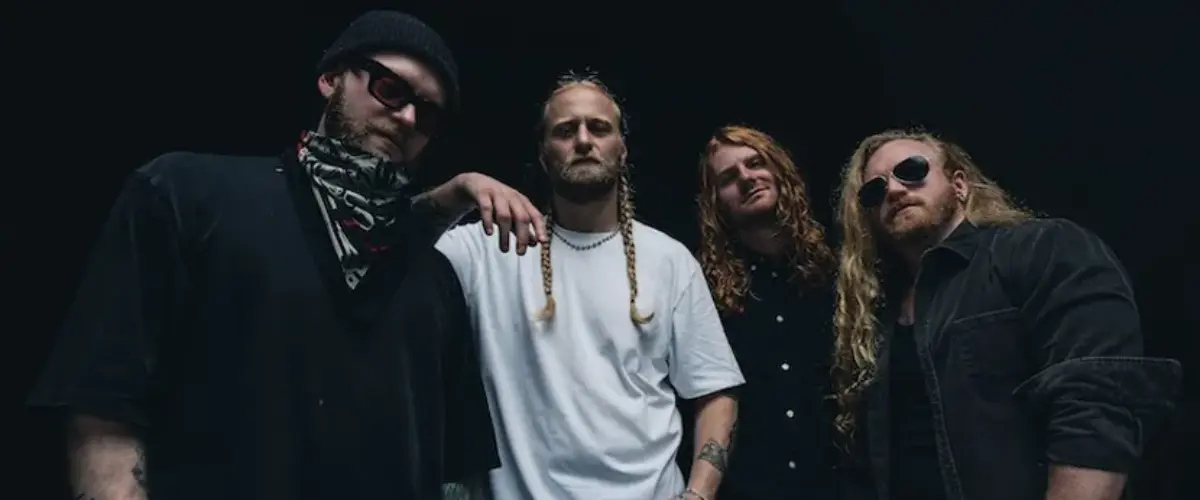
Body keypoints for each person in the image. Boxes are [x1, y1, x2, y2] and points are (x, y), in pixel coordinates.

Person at [29, 10, 546, 500]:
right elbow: (104, 400)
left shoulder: (432, 277)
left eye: (428, 113)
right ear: (331, 79)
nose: (408, 117)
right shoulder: (186, 195)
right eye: (390, 89)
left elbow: (453, 471)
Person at [432, 72, 745, 500]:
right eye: (565, 131)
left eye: (598, 128)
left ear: (622, 149)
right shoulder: (489, 247)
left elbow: (714, 390)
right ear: (543, 155)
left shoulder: (669, 259)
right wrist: (460, 188)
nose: (583, 140)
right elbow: (390, 246)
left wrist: (698, 494)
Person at [829, 128, 1181, 500]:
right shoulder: (877, 313)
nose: (895, 190)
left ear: (959, 185)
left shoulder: (1040, 248)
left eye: (911, 170)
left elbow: (1097, 404)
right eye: (875, 189)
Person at [686, 125, 841, 499]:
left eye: (755, 163)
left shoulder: (837, 270)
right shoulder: (702, 292)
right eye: (728, 177)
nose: (746, 178)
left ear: (779, 170)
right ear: (716, 201)